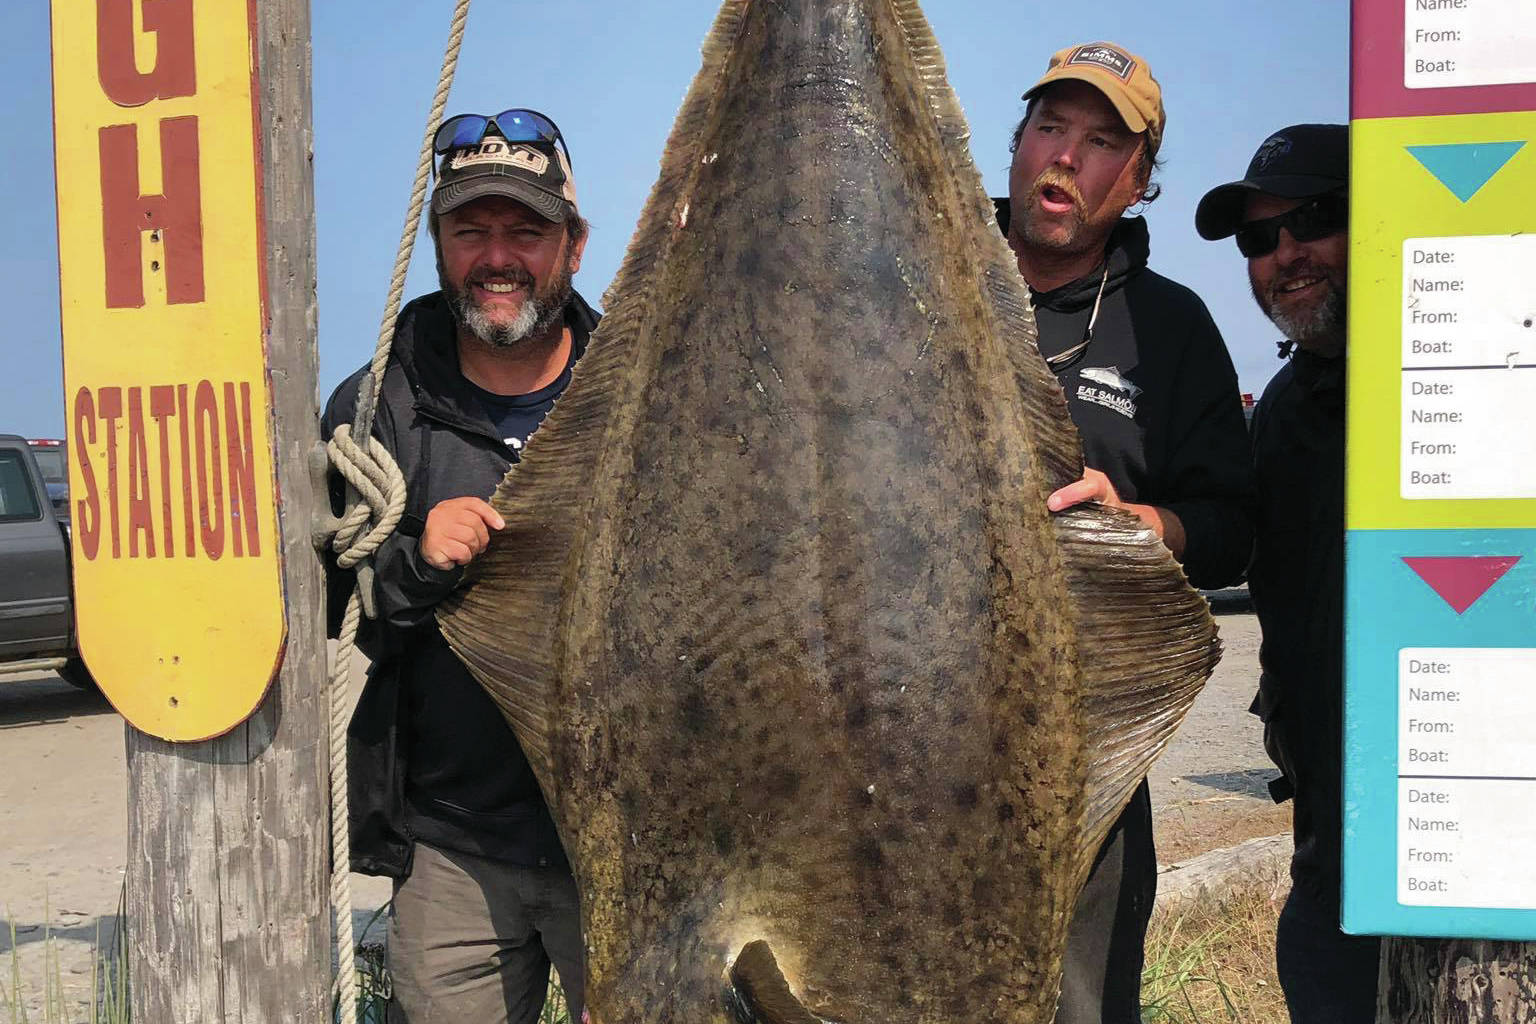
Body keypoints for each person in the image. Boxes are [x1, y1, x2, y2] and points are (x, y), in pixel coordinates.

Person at [996, 42, 1254, 1023]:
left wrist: (1141, 523)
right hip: (885, 759)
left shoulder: (1173, 329)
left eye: (1104, 141)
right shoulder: (909, 284)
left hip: (1083, 777)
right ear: (1018, 144)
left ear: (1140, 182)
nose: (1067, 155)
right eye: (1051, 127)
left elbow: (1234, 529)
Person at [322, 108, 595, 1024]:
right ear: (437, 244)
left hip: (625, 839)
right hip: (451, 845)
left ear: (574, 245)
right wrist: (416, 557)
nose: (498, 256)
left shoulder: (643, 391)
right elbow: (326, 592)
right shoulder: (375, 405)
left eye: (526, 230)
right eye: (469, 230)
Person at [1197, 123, 1378, 1022]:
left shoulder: (1490, 371)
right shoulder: (1279, 415)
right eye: (1260, 238)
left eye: (1315, 218)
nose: (1285, 253)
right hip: (1333, 879)